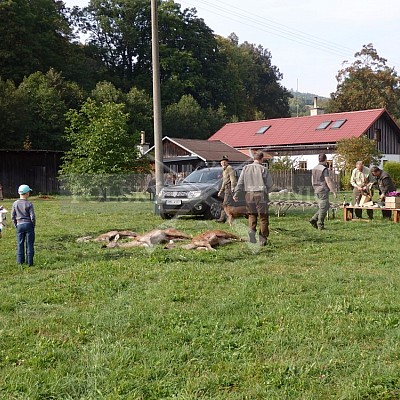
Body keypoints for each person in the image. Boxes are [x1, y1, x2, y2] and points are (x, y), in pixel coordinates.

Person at [233, 151, 273, 246]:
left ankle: (251, 234)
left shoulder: (245, 168)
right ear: (262, 159)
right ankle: (262, 240)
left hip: (249, 194)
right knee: (263, 217)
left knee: (251, 215)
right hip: (260, 194)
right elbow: (270, 184)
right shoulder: (263, 169)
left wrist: (236, 194)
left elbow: (240, 183)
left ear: (253, 159)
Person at [309, 154, 337, 230]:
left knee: (325, 206)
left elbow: (312, 180)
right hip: (323, 190)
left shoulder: (314, 168)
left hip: (316, 189)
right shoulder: (324, 169)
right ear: (325, 159)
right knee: (324, 207)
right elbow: (328, 181)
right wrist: (333, 191)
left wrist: (314, 188)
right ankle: (319, 224)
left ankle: (314, 219)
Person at [11, 184, 36, 266]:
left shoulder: (15, 203)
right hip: (28, 224)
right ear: (27, 193)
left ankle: (20, 262)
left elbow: (12, 216)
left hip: (19, 225)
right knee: (29, 243)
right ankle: (30, 262)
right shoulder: (29, 203)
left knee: (20, 243)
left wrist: (16, 224)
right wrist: (33, 225)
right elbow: (32, 216)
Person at [216, 155, 237, 223]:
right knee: (230, 204)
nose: (223, 163)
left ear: (227, 162)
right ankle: (231, 218)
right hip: (226, 187)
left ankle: (222, 219)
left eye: (224, 162)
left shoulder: (229, 168)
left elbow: (232, 179)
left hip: (229, 187)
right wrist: (221, 191)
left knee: (225, 204)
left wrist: (233, 187)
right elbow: (224, 181)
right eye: (222, 162)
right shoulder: (224, 170)